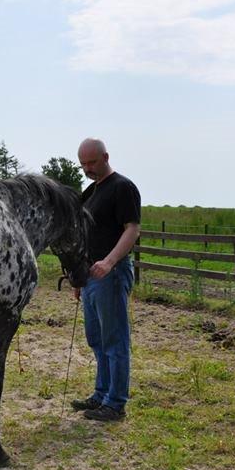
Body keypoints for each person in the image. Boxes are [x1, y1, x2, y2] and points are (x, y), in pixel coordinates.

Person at [71, 138, 141, 421]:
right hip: (90, 277)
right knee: (96, 339)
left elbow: (132, 229)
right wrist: (78, 278)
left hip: (111, 274)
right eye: (83, 164)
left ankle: (115, 403)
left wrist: (110, 262)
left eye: (93, 163)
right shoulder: (90, 193)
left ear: (106, 157)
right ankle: (101, 394)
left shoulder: (122, 188)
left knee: (114, 341)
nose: (88, 169)